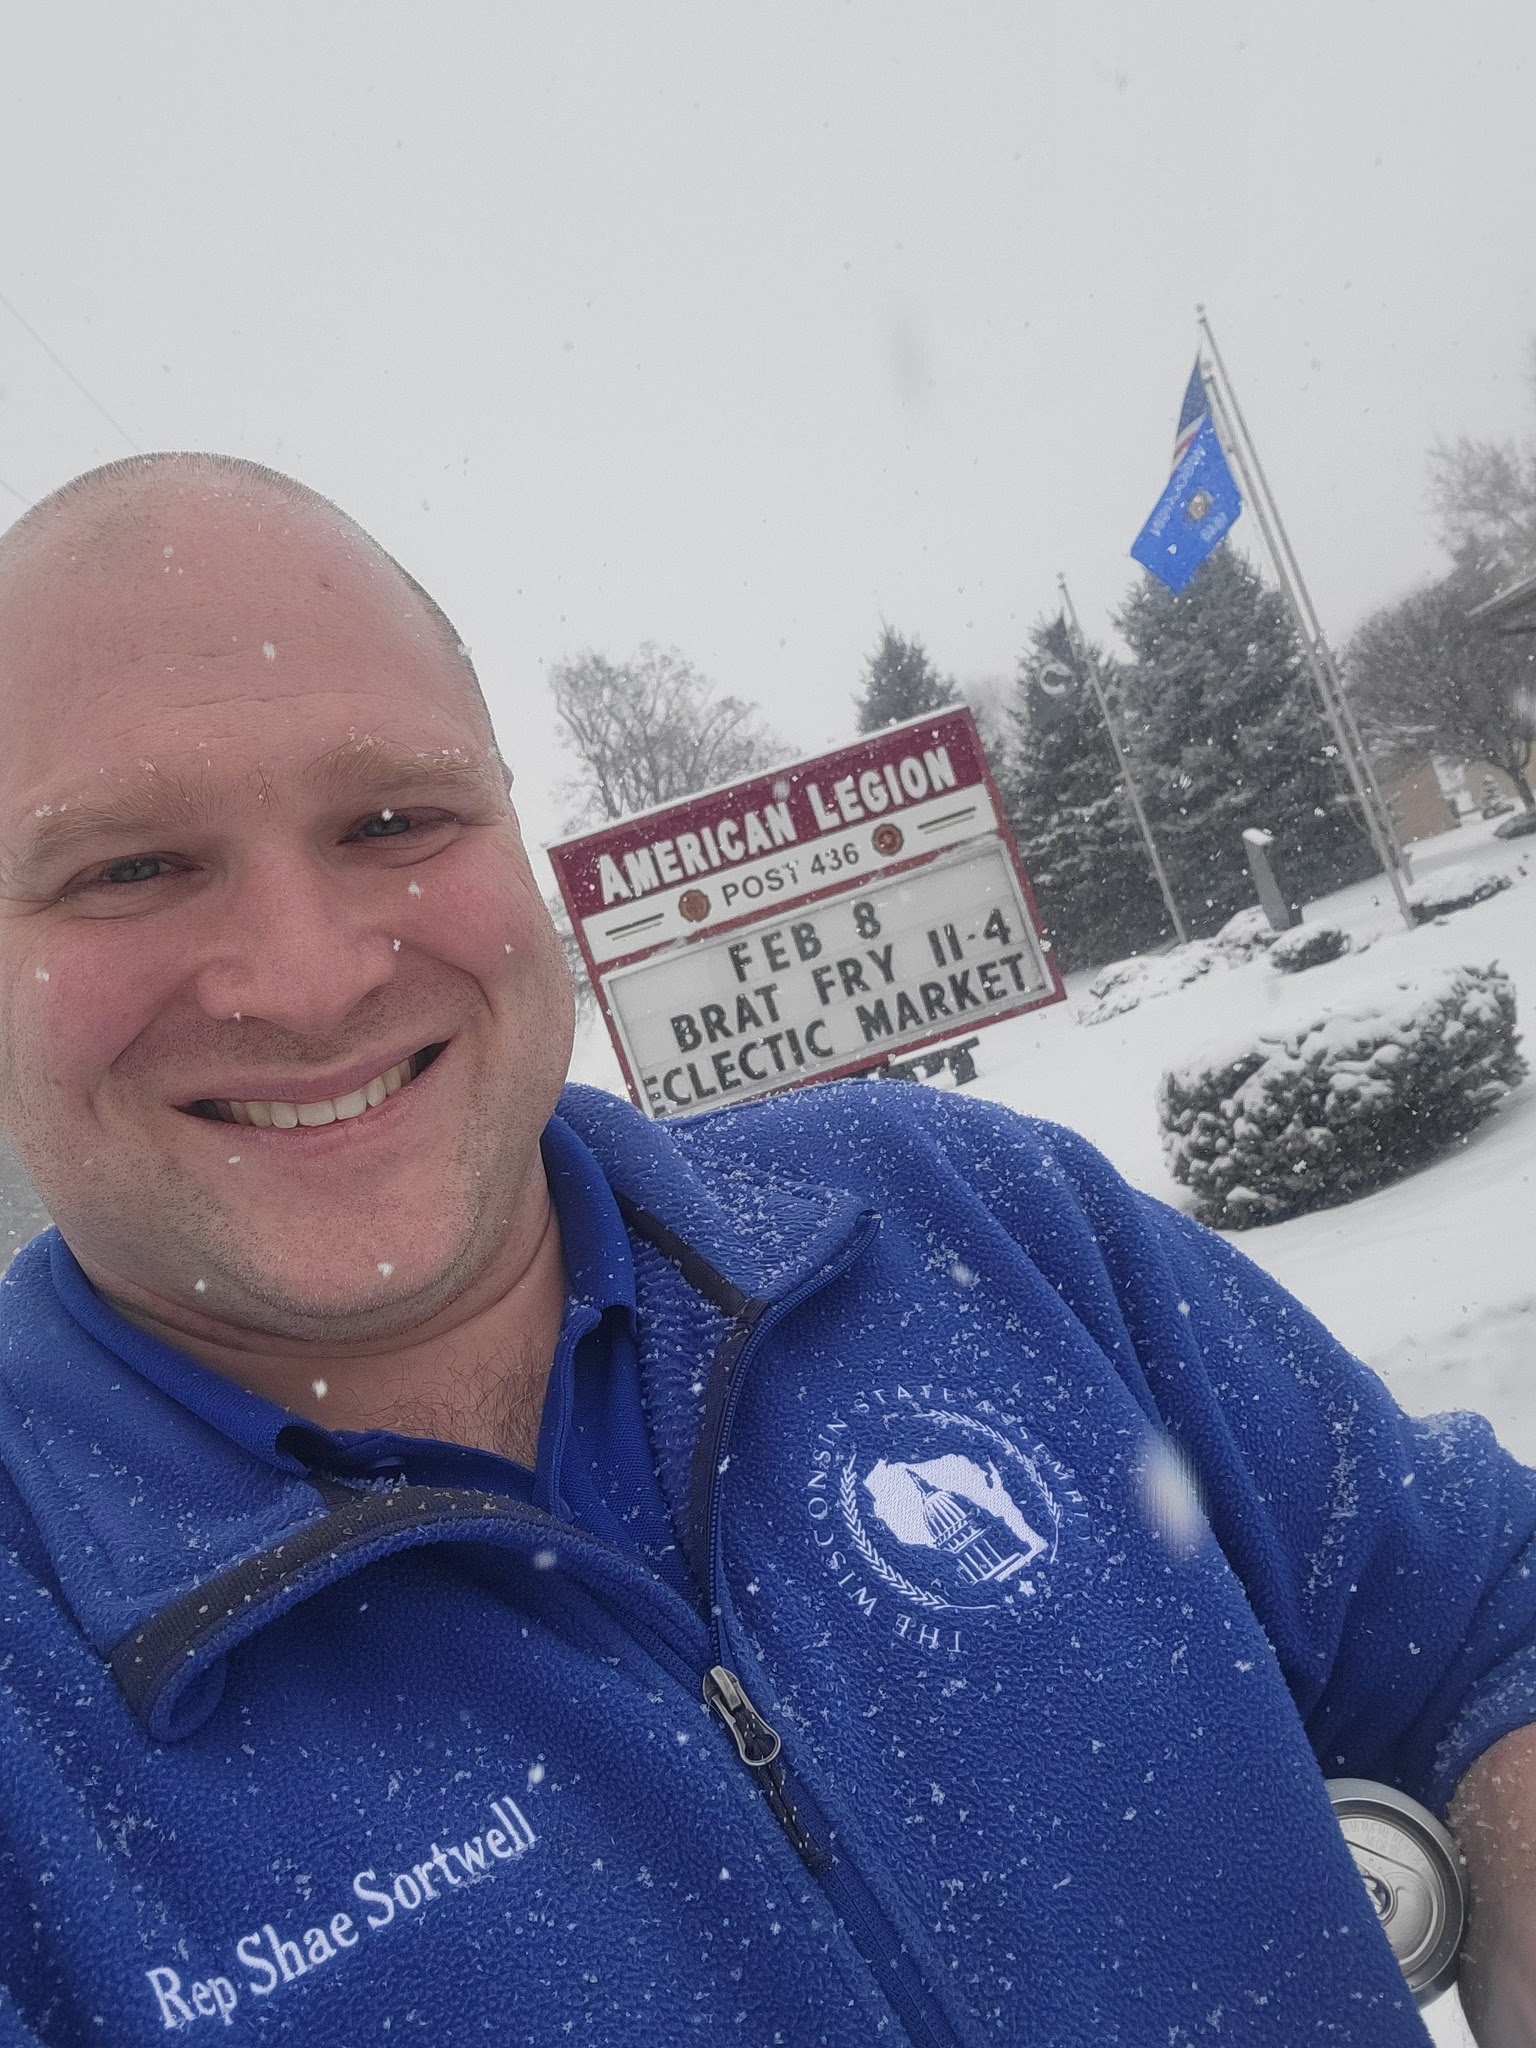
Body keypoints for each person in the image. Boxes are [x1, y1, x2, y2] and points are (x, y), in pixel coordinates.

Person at [0, 454, 1530, 2048]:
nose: (306, 979)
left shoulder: (974, 1225)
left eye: (393, 817)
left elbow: (1478, 1611)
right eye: (127, 868)